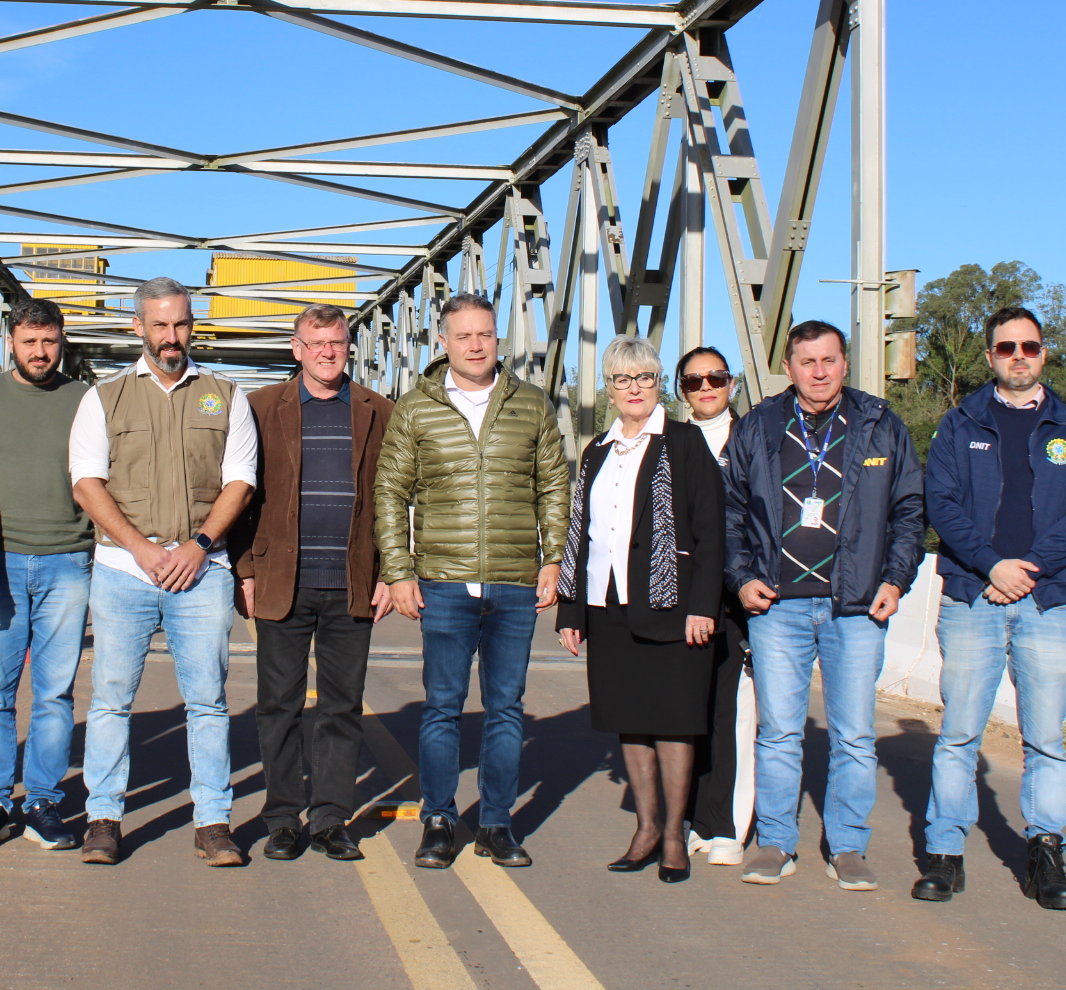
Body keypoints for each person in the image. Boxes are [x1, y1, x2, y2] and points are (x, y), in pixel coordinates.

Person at [915, 305, 1066, 911]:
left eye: (1028, 346)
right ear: (990, 356)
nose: (1017, 356)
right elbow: (940, 503)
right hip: (973, 596)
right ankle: (945, 855)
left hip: (1046, 601)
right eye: (1005, 348)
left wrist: (1025, 571)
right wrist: (991, 565)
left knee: (1047, 739)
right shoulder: (958, 423)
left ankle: (1046, 854)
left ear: (1043, 353)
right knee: (958, 734)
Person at [722, 319, 924, 890]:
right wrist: (739, 578)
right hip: (777, 605)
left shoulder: (881, 425)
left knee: (855, 733)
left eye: (829, 360)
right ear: (788, 367)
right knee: (780, 731)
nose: (818, 372)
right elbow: (730, 512)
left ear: (845, 363)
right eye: (806, 362)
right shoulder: (760, 425)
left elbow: (910, 509)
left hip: (856, 606)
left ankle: (849, 846)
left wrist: (896, 580)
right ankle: (776, 841)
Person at [374, 292, 572, 869]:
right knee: (442, 705)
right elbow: (390, 491)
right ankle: (438, 818)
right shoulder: (415, 409)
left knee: (506, 706)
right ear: (444, 343)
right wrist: (399, 570)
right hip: (442, 579)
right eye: (463, 336)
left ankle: (496, 823)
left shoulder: (532, 405)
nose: (476, 345)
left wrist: (553, 558)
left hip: (514, 581)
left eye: (484, 334)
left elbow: (553, 486)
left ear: (496, 338)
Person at [68, 277, 258, 867]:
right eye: (159, 325)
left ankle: (213, 821)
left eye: (179, 324)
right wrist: (143, 550)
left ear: (191, 324)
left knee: (207, 701)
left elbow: (240, 481)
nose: (170, 336)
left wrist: (200, 546)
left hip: (203, 570)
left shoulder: (227, 395)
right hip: (125, 570)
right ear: (138, 327)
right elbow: (86, 484)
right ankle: (102, 817)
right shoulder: (104, 397)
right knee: (110, 700)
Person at [555, 336, 724, 884]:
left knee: (674, 723)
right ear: (608, 387)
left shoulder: (684, 442)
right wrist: (571, 611)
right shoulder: (596, 451)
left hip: (671, 606)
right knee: (631, 722)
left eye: (645, 378)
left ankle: (674, 834)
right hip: (609, 608)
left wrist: (703, 607)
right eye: (623, 380)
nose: (634, 389)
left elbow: (710, 530)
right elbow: (579, 535)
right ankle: (645, 828)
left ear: (658, 386)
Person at [235, 304, 395, 863]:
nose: (328, 351)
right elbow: (240, 496)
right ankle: (281, 817)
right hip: (284, 580)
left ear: (349, 347)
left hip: (352, 580)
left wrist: (392, 574)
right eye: (317, 342)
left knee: (341, 706)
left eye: (337, 342)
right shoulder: (257, 409)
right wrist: (246, 571)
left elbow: (398, 499)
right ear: (297, 349)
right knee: (277, 705)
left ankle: (329, 817)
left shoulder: (380, 411)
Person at [0, 298, 94, 852]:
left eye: (50, 341)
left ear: (61, 340)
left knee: (56, 693)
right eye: (29, 342)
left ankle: (42, 800)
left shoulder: (85, 399)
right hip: (1, 563)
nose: (40, 352)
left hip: (69, 559)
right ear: (10, 342)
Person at [675, 345, 755, 867]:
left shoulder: (754, 438)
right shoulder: (668, 442)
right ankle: (692, 818)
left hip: (736, 596)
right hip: (680, 596)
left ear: (732, 383)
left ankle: (725, 823)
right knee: (686, 711)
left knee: (732, 712)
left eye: (717, 378)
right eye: (694, 381)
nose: (706, 388)